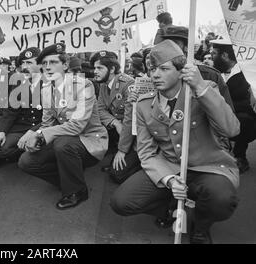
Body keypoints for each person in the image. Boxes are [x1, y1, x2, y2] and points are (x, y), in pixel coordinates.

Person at [110, 40, 240, 244]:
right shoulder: (144, 104)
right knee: (121, 202)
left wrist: (200, 86)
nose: (155, 74)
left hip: (209, 166)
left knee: (221, 200)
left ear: (181, 71)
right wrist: (168, 180)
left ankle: (201, 225)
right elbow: (146, 153)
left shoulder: (204, 91)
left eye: (163, 68)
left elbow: (231, 130)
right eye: (152, 69)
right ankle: (174, 206)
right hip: (170, 165)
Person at [18, 43, 108, 210]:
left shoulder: (83, 85)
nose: (48, 67)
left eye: (53, 63)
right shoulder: (46, 89)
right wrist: (36, 134)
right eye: (44, 64)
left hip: (89, 141)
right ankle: (67, 178)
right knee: (26, 161)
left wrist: (40, 134)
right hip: (64, 139)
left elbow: (76, 126)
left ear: (65, 65)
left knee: (62, 145)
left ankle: (77, 190)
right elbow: (47, 123)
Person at [91, 51, 140, 183]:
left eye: (99, 68)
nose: (95, 71)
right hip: (121, 129)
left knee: (117, 175)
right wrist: (115, 122)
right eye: (95, 68)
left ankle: (142, 166)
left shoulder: (128, 84)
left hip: (136, 136)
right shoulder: (103, 84)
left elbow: (130, 121)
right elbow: (99, 109)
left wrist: (122, 151)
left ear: (112, 69)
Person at [159, 25, 234, 111]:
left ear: (187, 47)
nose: (168, 48)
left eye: (175, 44)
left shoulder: (211, 75)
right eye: (166, 44)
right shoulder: (157, 75)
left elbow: (227, 116)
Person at [0, 47, 43, 162]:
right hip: (22, 127)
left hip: (41, 128)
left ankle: (31, 152)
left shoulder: (50, 83)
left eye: (29, 63)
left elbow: (52, 118)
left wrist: (33, 132)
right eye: (23, 63)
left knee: (28, 159)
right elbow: (11, 110)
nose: (24, 67)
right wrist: (1, 132)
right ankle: (25, 150)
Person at [211, 39, 256, 173]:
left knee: (243, 119)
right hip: (218, 117)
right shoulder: (214, 72)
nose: (211, 56)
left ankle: (240, 156)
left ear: (225, 56)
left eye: (214, 53)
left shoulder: (247, 76)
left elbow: (248, 104)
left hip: (241, 120)